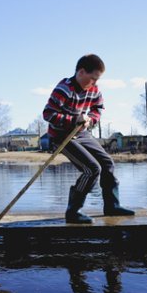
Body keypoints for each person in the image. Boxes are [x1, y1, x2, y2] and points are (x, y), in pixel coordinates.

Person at [43, 54, 135, 224]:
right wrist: (74, 120)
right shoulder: (64, 89)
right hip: (61, 135)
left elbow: (98, 108)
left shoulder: (94, 90)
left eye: (97, 80)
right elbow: (48, 114)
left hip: (82, 133)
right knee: (92, 169)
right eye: (92, 79)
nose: (94, 83)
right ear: (81, 72)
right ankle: (73, 211)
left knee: (107, 164)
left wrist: (90, 119)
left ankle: (112, 206)